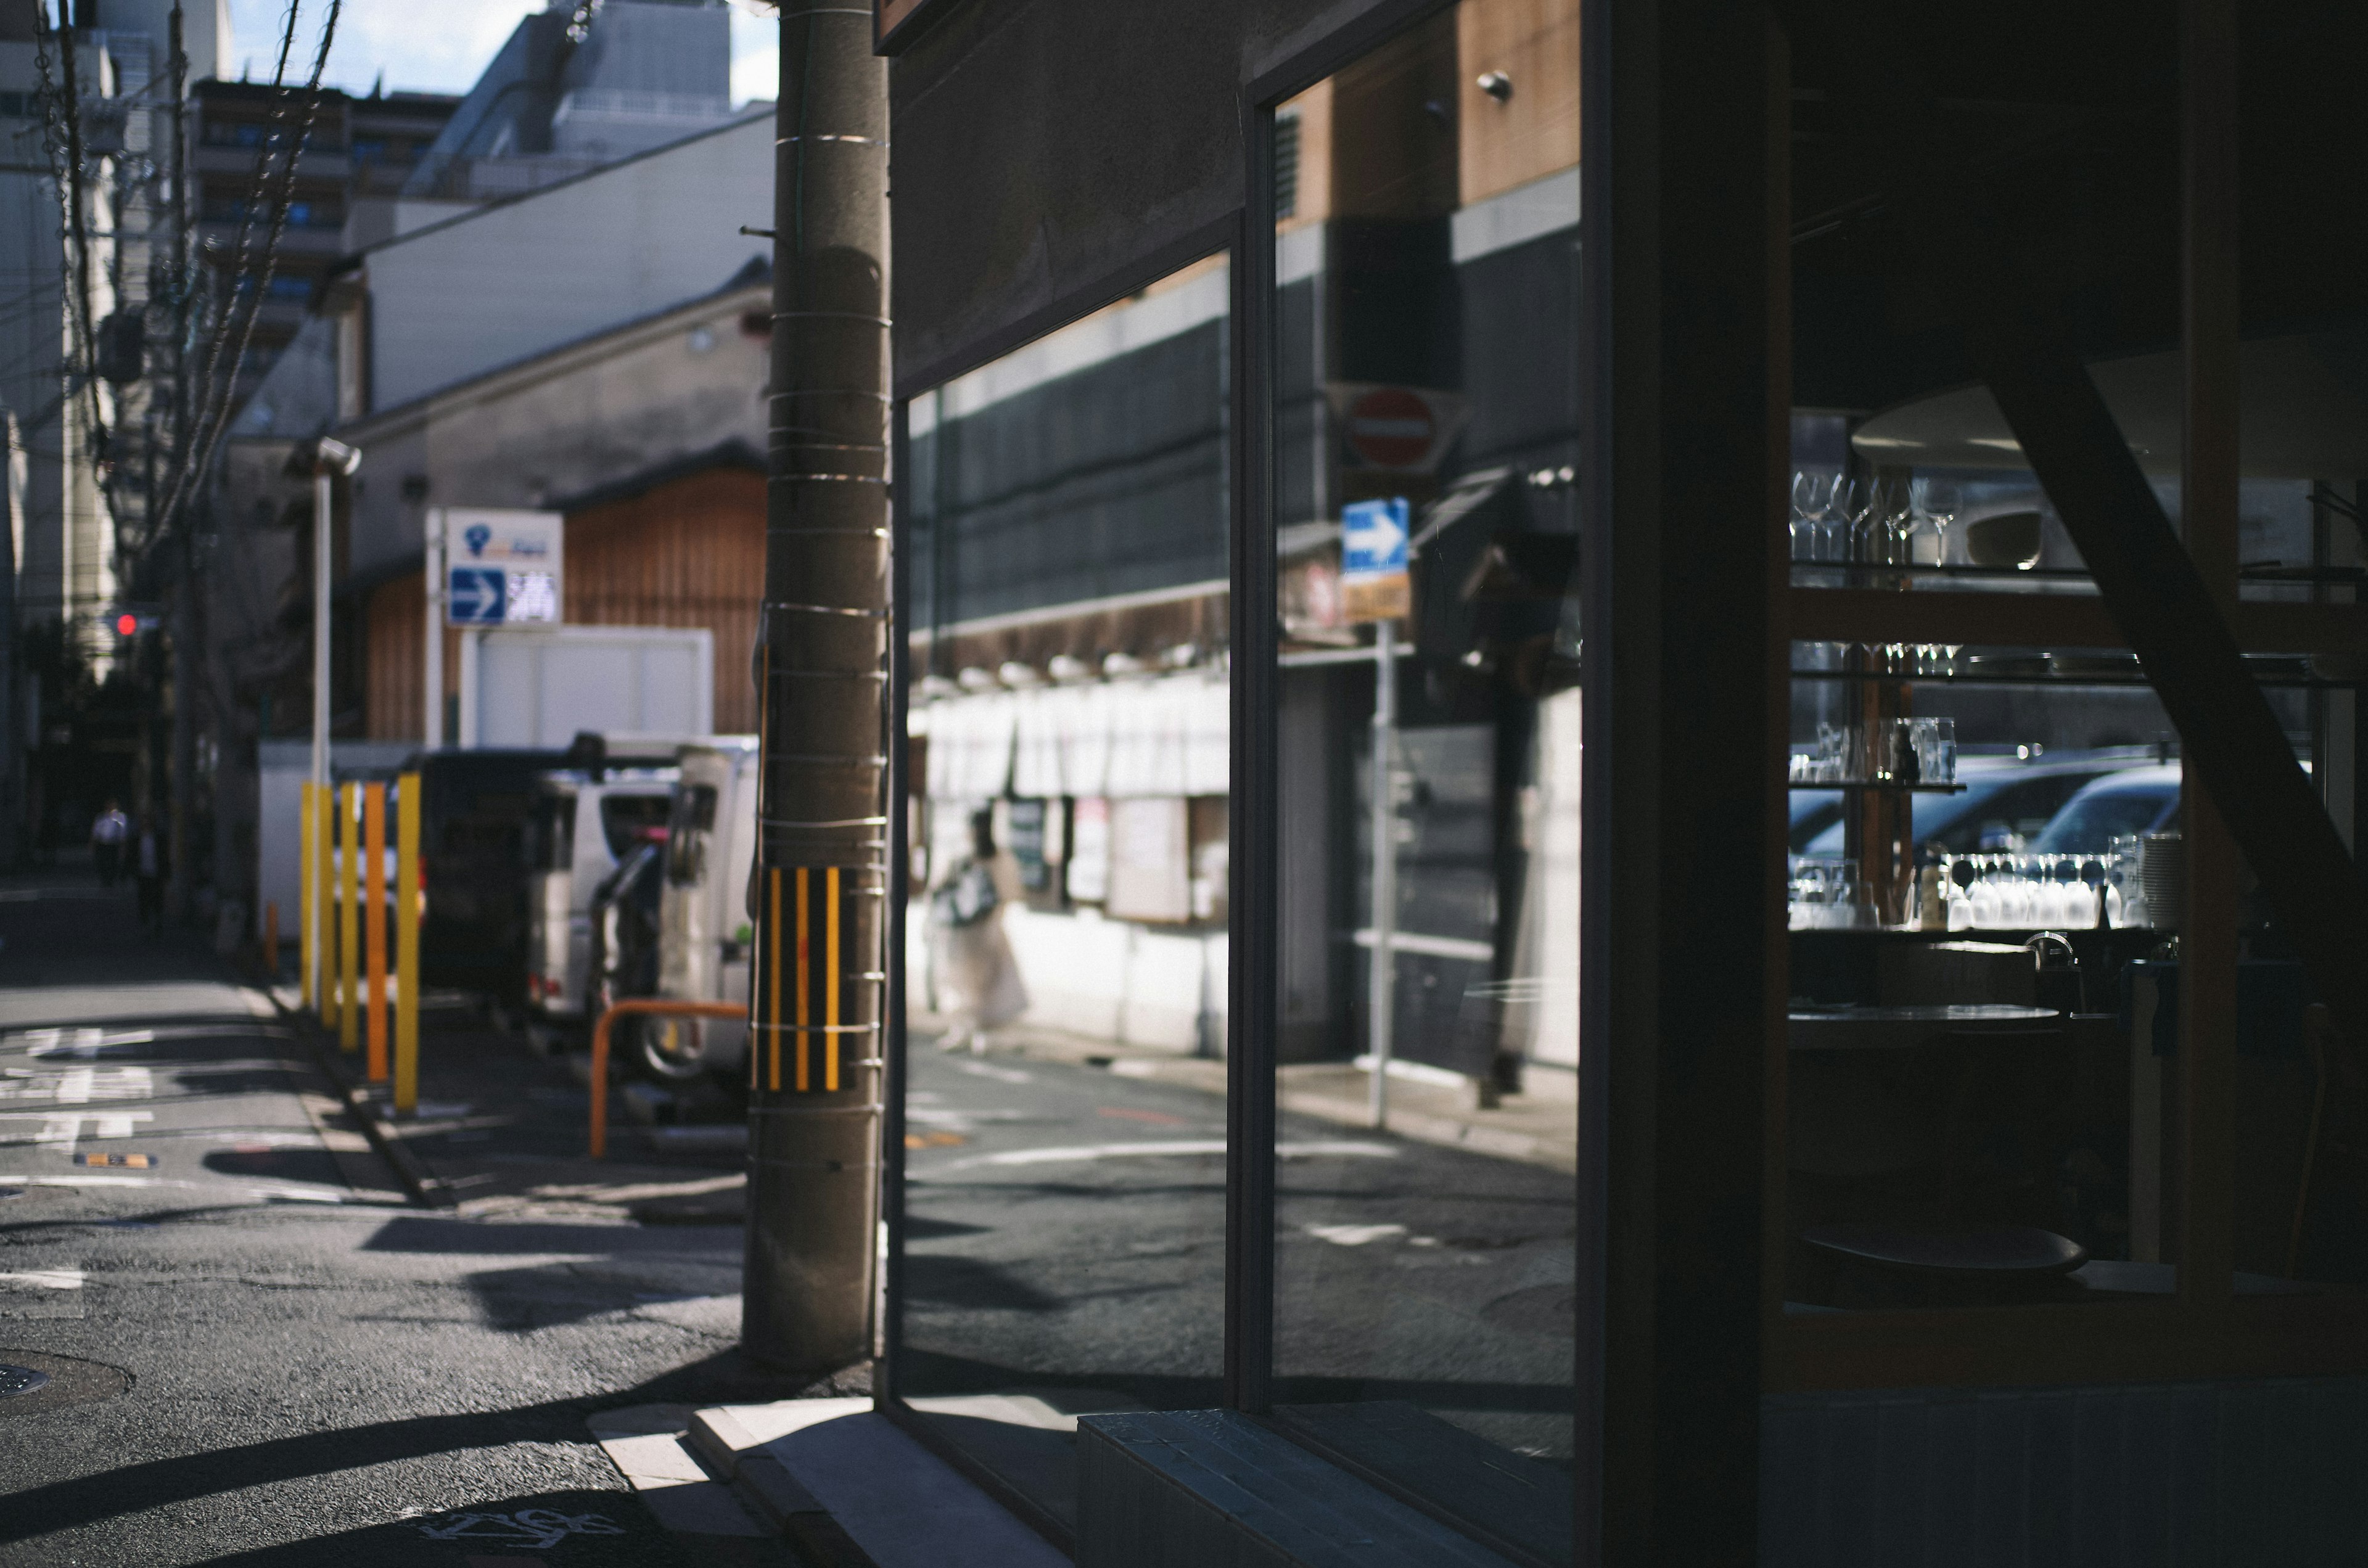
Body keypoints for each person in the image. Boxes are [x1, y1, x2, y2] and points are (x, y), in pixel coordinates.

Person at [929, 807, 1028, 1053]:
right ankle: (971, 1032)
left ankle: (971, 1031)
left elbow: (939, 890)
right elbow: (1011, 893)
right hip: (981, 930)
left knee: (969, 981)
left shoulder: (966, 858)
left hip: (971, 932)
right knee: (974, 982)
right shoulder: (987, 858)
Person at [134, 815, 168, 935]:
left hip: (156, 872)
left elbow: (164, 855)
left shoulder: (158, 838)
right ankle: (146, 922)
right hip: (143, 872)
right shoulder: (138, 838)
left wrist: (166, 872)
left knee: (157, 898)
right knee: (144, 898)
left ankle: (157, 920)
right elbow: (132, 856)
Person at [89, 800, 129, 886]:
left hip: (114, 844)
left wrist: (123, 845)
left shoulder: (120, 817)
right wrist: (93, 844)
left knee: (113, 863)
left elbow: (123, 832)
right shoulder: (101, 817)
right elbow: (95, 832)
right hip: (103, 844)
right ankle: (104, 880)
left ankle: (111, 880)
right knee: (102, 862)